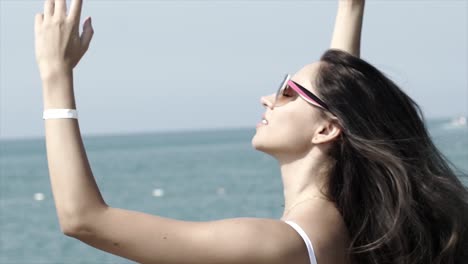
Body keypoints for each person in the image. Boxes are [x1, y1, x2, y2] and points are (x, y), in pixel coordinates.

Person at [34, 0, 468, 263]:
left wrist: (56, 77)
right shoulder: (349, 225)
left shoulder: (279, 244)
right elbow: (343, 101)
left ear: (326, 130)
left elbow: (85, 221)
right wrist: (349, 9)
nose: (269, 98)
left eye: (288, 92)